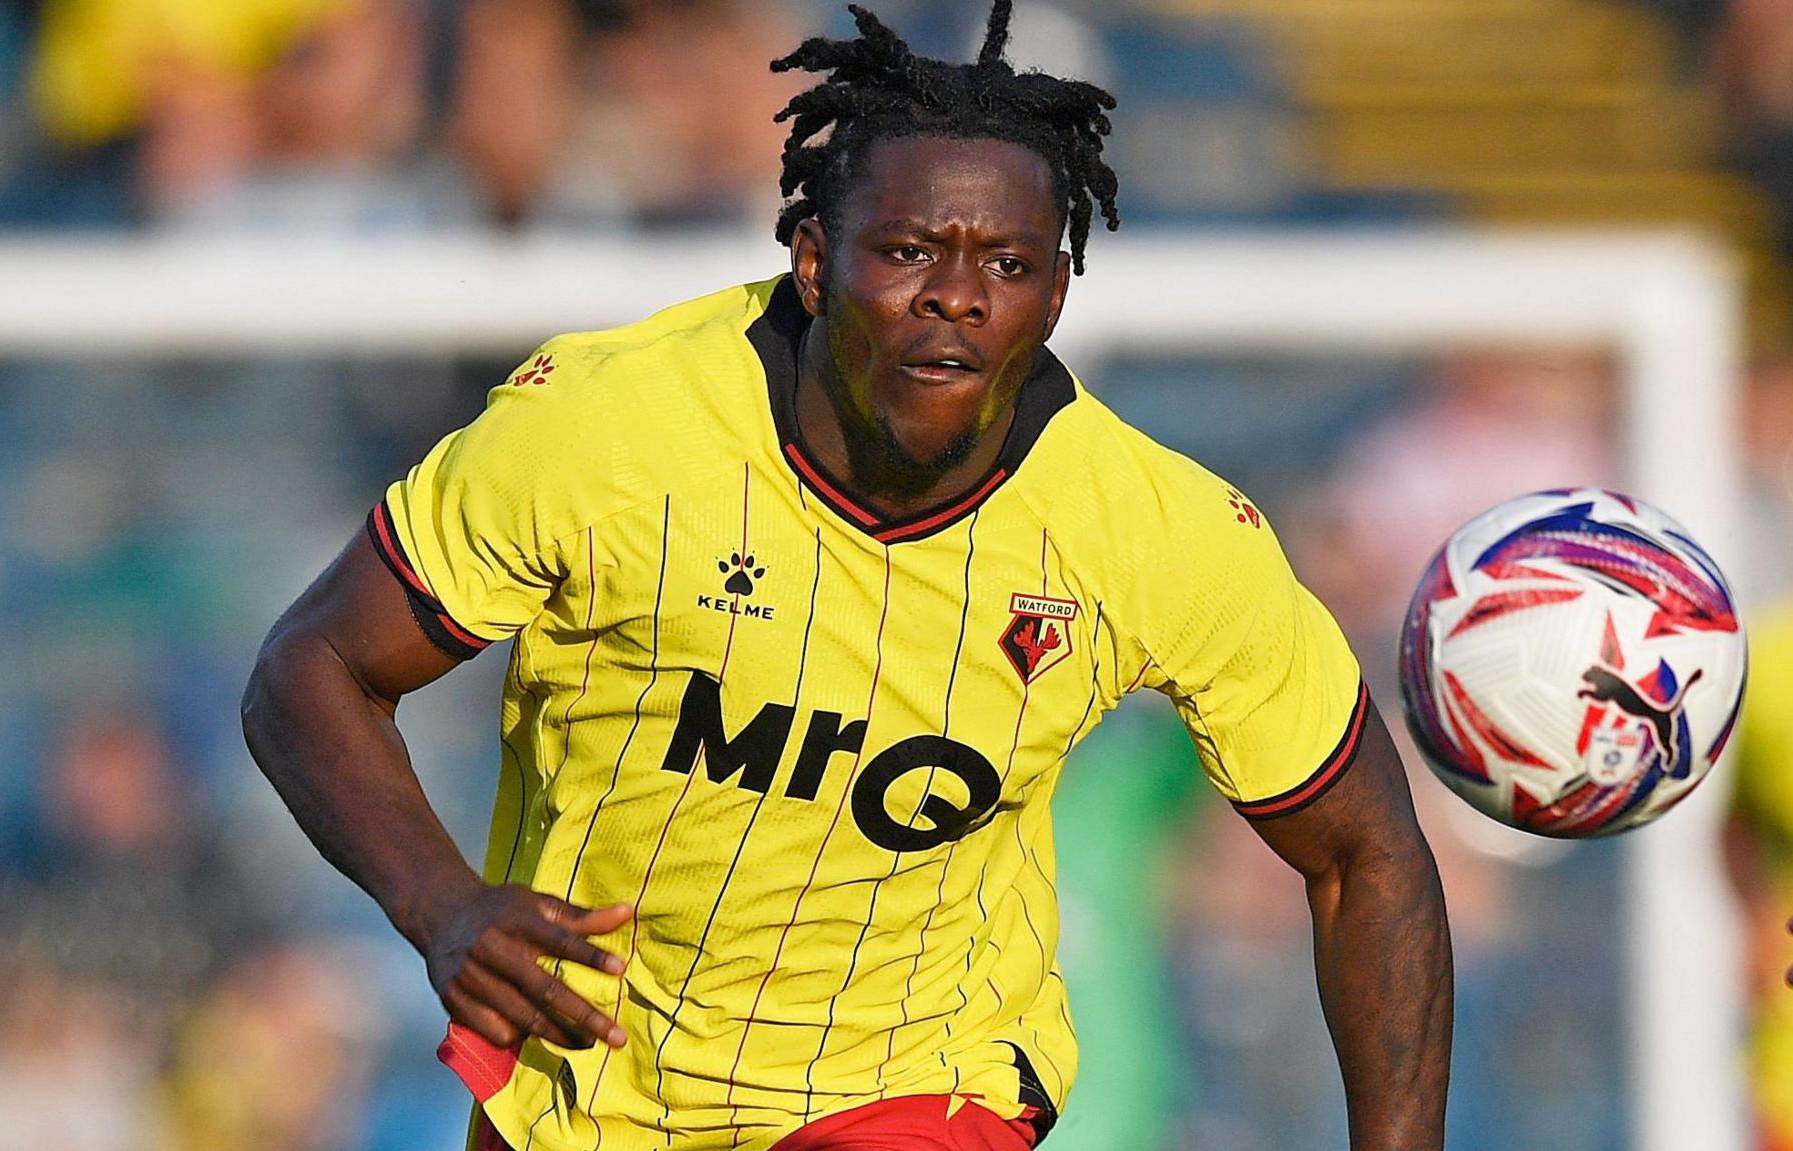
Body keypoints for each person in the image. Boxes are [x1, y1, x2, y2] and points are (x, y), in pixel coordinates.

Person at [241, 4, 1454, 1148]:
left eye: (1007, 263)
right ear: (815, 263)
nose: (957, 295)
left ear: (1056, 290)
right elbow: (315, 665)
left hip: (919, 1084)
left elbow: (1365, 849)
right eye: (910, 249)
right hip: (590, 1085)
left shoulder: (1150, 530)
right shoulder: (606, 433)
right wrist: (442, 903)